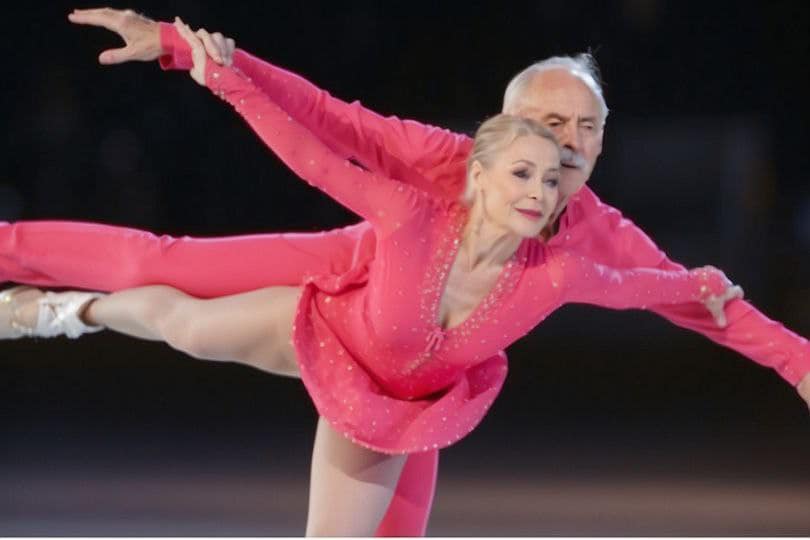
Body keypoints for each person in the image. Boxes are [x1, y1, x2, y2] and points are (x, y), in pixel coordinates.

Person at [1, 6, 808, 534]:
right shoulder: (443, 163)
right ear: (502, 134)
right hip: (363, 268)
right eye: (548, 123)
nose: (566, 143)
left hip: (430, 363)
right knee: (158, 267)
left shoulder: (594, 241)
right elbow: (327, 127)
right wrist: (193, 53)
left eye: (586, 127)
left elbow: (695, 297)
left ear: (603, 136)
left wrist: (800, 363)